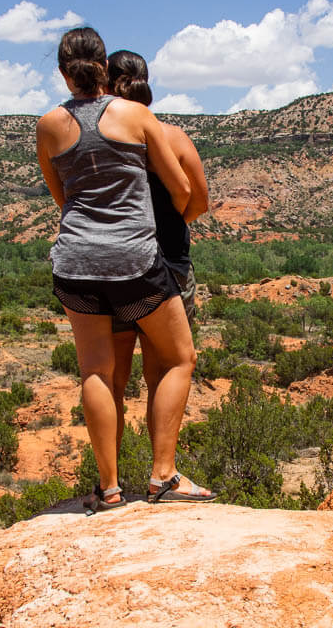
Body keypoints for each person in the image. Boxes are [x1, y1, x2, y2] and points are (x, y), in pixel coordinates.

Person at [36, 28, 212, 511]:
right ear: (103, 68)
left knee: (97, 372)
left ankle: (109, 488)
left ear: (62, 71)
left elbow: (61, 197)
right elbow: (181, 189)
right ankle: (163, 476)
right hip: (134, 261)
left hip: (74, 262)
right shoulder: (135, 115)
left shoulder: (48, 124)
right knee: (179, 359)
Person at [106, 50, 214, 503]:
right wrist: (174, 220)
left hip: (108, 269)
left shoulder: (101, 142)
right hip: (166, 264)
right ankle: (161, 474)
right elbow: (198, 201)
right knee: (166, 370)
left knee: (110, 375)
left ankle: (108, 484)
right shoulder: (171, 136)